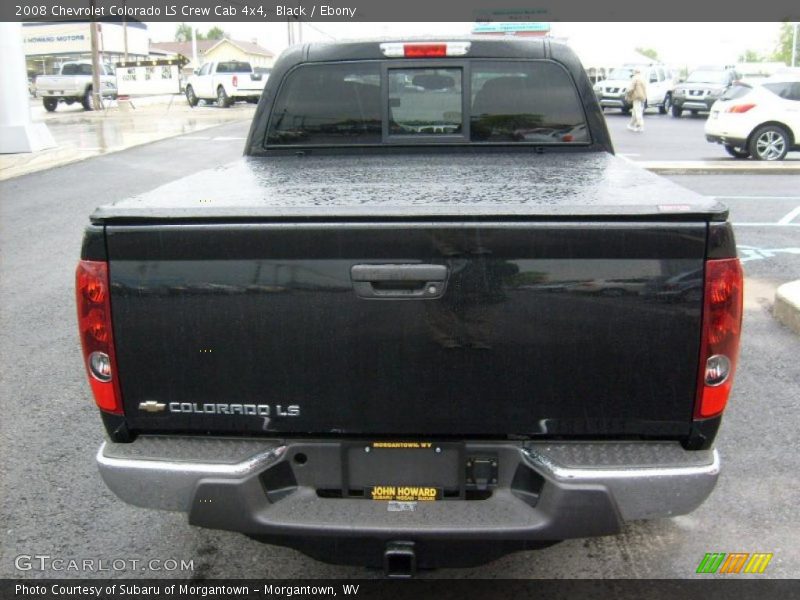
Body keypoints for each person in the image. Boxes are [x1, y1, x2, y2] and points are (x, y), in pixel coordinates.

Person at [625, 68, 647, 132]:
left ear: (634, 72)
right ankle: (631, 125)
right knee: (635, 111)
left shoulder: (635, 78)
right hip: (642, 97)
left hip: (636, 97)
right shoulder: (643, 78)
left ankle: (640, 125)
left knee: (637, 112)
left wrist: (627, 95)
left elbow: (630, 89)